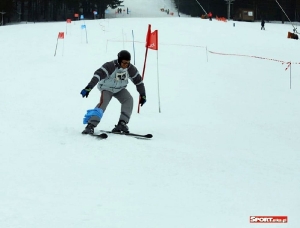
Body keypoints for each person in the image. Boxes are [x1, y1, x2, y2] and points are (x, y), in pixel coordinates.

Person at [80, 50, 147, 134]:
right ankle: (90, 125)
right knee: (104, 102)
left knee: (128, 99)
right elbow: (97, 75)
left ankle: (122, 123)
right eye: (124, 63)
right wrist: (88, 87)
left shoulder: (130, 68)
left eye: (128, 63)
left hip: (119, 89)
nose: (126, 65)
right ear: (119, 61)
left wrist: (143, 95)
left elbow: (139, 81)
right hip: (106, 88)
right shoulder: (110, 66)